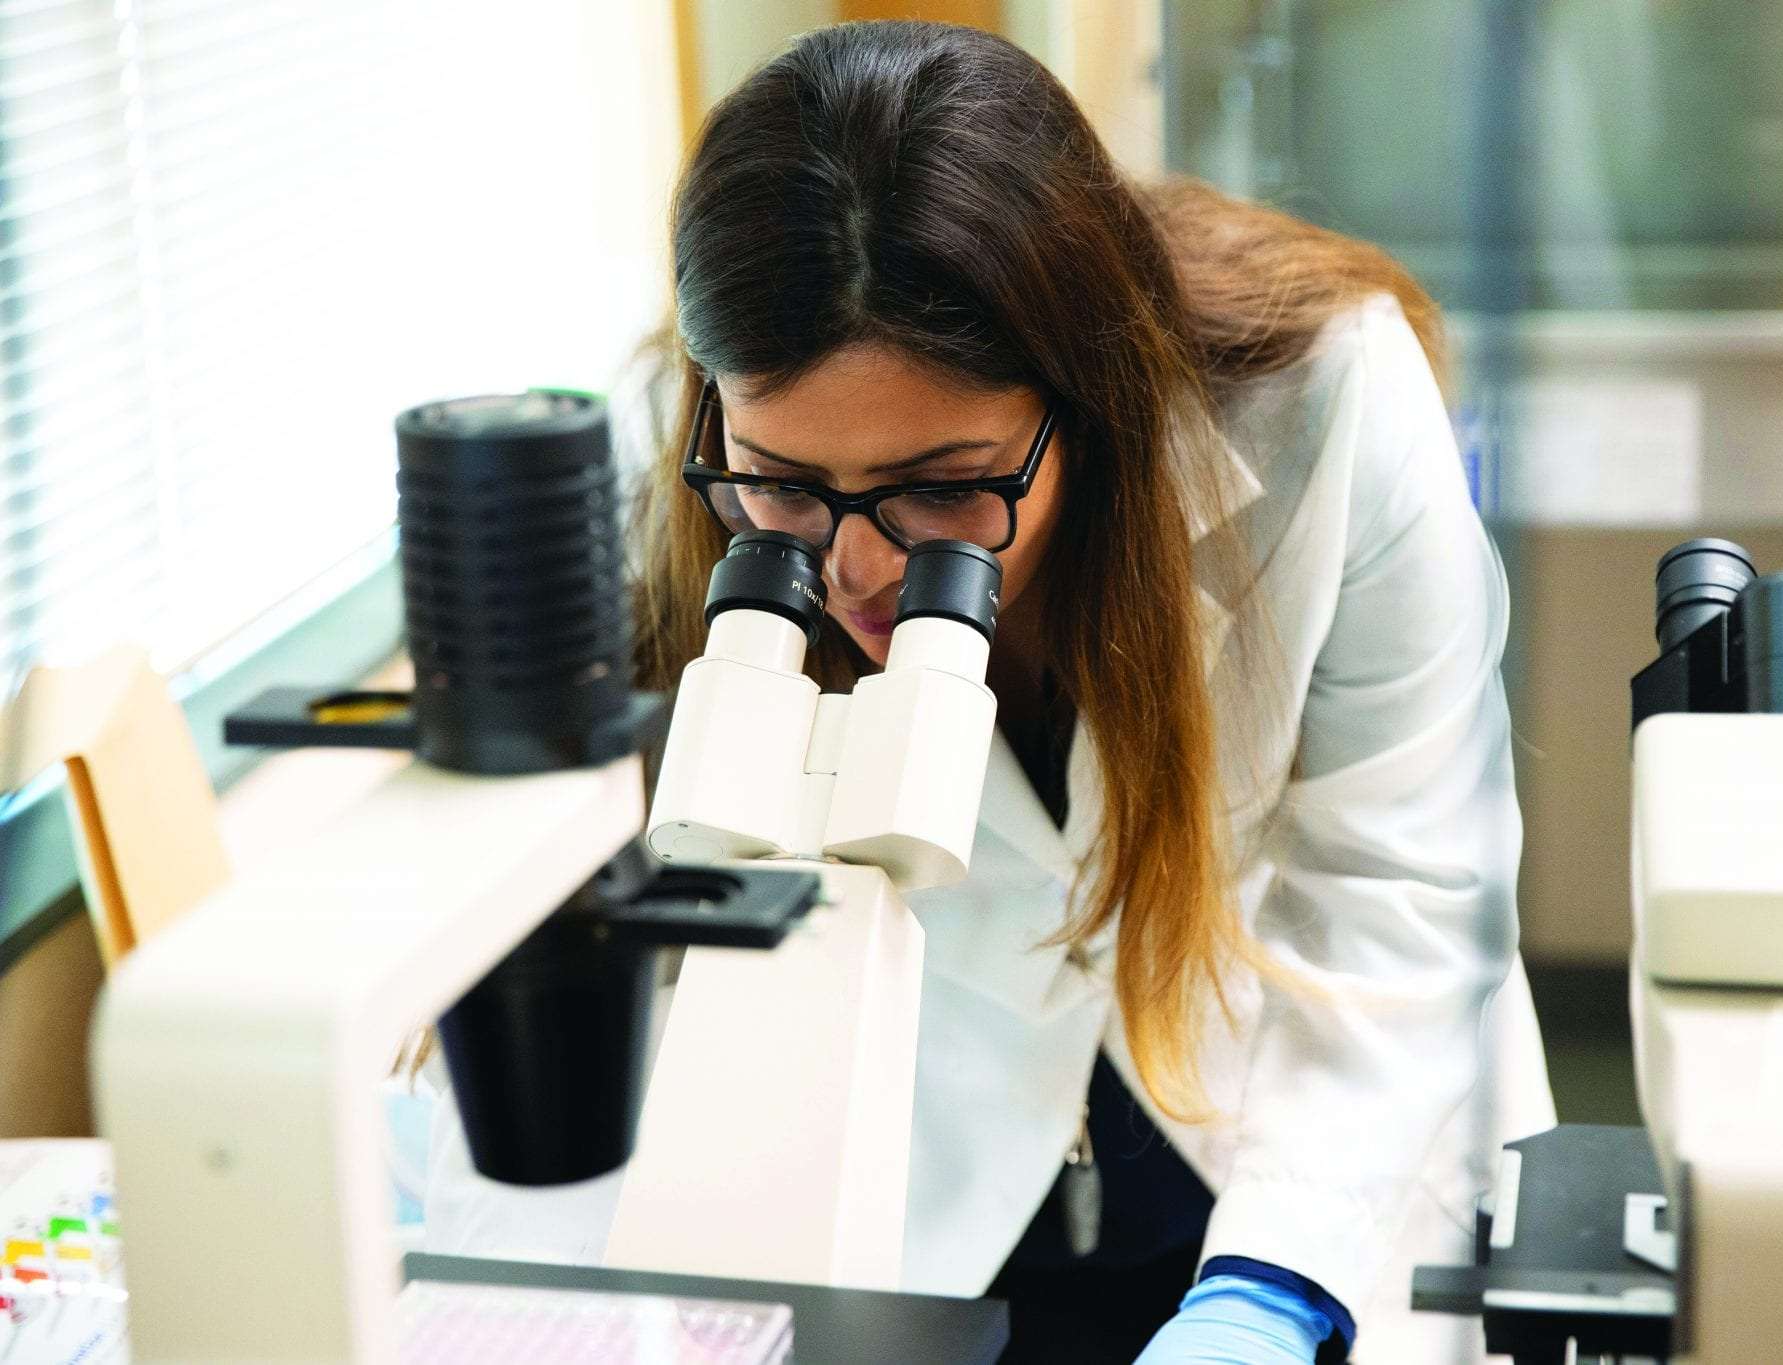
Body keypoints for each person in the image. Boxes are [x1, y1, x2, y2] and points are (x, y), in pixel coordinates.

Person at [430, 19, 1553, 1362]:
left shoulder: (1325, 409)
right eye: (784, 483)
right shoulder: (643, 478)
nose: (853, 566)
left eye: (945, 488)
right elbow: (594, 961)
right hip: (926, 1193)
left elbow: (1408, 888)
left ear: (1098, 399)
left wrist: (1274, 1291)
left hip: (1294, 1142)